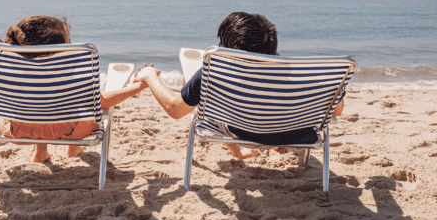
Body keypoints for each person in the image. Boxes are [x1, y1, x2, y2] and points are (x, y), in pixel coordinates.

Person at [133, 12, 345, 160]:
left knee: (205, 103)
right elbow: (337, 110)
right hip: (291, 133)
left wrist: (150, 75)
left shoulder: (214, 71)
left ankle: (237, 152)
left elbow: (175, 109)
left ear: (231, 49)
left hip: (238, 130)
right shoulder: (299, 74)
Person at [0, 15, 148, 163]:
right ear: (61, 49)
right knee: (85, 111)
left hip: (18, 131)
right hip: (67, 131)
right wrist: (139, 86)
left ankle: (40, 152)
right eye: (69, 42)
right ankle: (74, 148)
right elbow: (101, 102)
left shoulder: (10, 72)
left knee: (38, 107)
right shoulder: (68, 76)